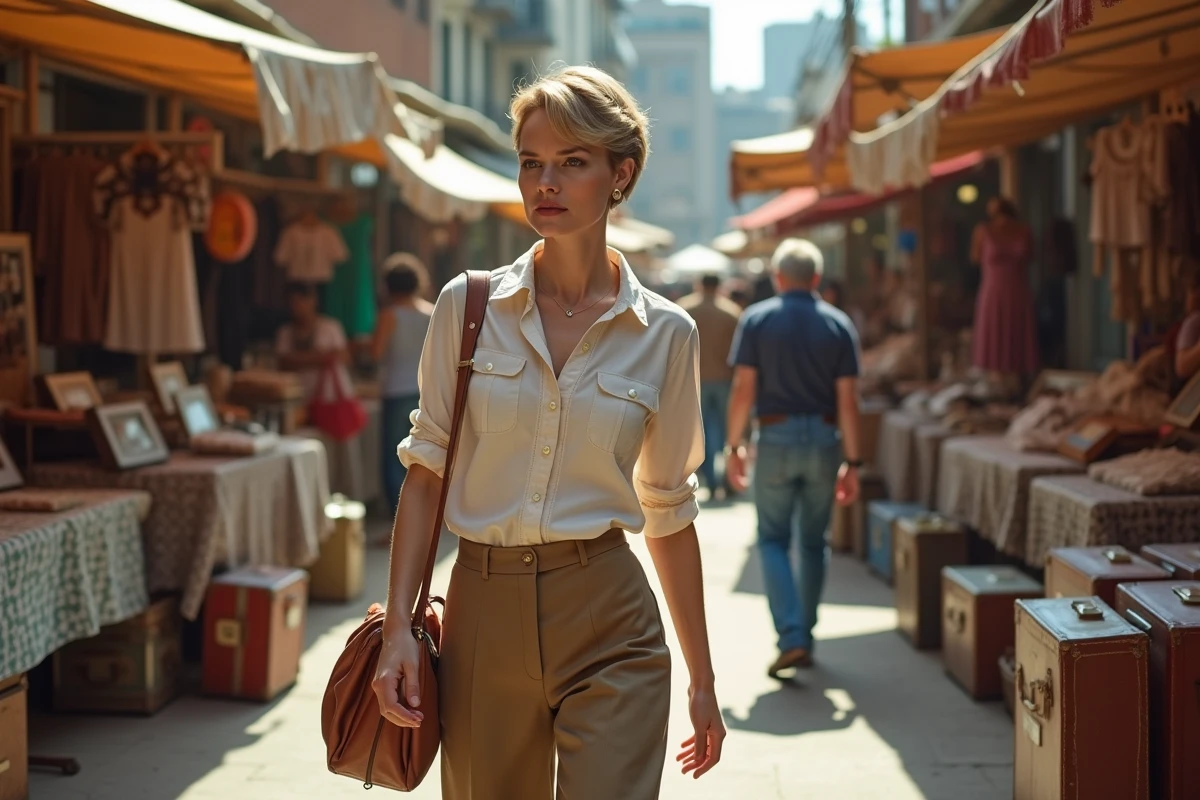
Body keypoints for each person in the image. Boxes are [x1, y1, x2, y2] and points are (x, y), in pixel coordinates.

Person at [372, 65, 725, 799]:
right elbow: (426, 473)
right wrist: (398, 629)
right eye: (532, 162)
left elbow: (669, 508)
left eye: (572, 162)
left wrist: (703, 678)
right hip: (481, 612)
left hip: (610, 616)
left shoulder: (667, 333)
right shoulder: (466, 307)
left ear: (619, 174)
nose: (546, 183)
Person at [724, 238, 863, 680]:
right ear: (817, 279)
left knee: (772, 539)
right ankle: (804, 631)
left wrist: (734, 446)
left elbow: (744, 389)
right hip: (824, 437)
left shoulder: (757, 319)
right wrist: (854, 462)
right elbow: (849, 400)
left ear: (779, 277)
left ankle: (791, 637)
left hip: (777, 435)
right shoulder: (839, 324)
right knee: (813, 542)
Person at [371, 253, 435, 516]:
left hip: (396, 390)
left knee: (395, 458)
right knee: (424, 456)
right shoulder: (431, 311)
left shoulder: (390, 315)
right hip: (426, 392)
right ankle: (426, 515)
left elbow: (376, 353)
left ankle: (399, 521)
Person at [677, 274, 742, 501]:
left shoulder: (684, 309)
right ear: (719, 286)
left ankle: (710, 480)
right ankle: (726, 479)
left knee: (698, 433)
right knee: (727, 432)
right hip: (725, 378)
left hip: (694, 379)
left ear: (699, 285)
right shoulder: (732, 313)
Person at [970, 195, 1039, 391]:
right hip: (994, 291)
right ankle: (997, 384)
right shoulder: (983, 231)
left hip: (1017, 290)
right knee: (994, 334)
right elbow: (975, 257)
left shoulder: (1024, 230)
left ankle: (1017, 383)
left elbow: (1031, 255)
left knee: (1016, 332)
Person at [275, 282, 352, 404]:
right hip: (298, 397)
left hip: (330, 399)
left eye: (300, 301)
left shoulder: (330, 327)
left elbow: (342, 357)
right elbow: (283, 362)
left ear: (312, 300)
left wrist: (298, 358)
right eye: (292, 302)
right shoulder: (285, 332)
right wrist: (320, 357)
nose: (296, 306)